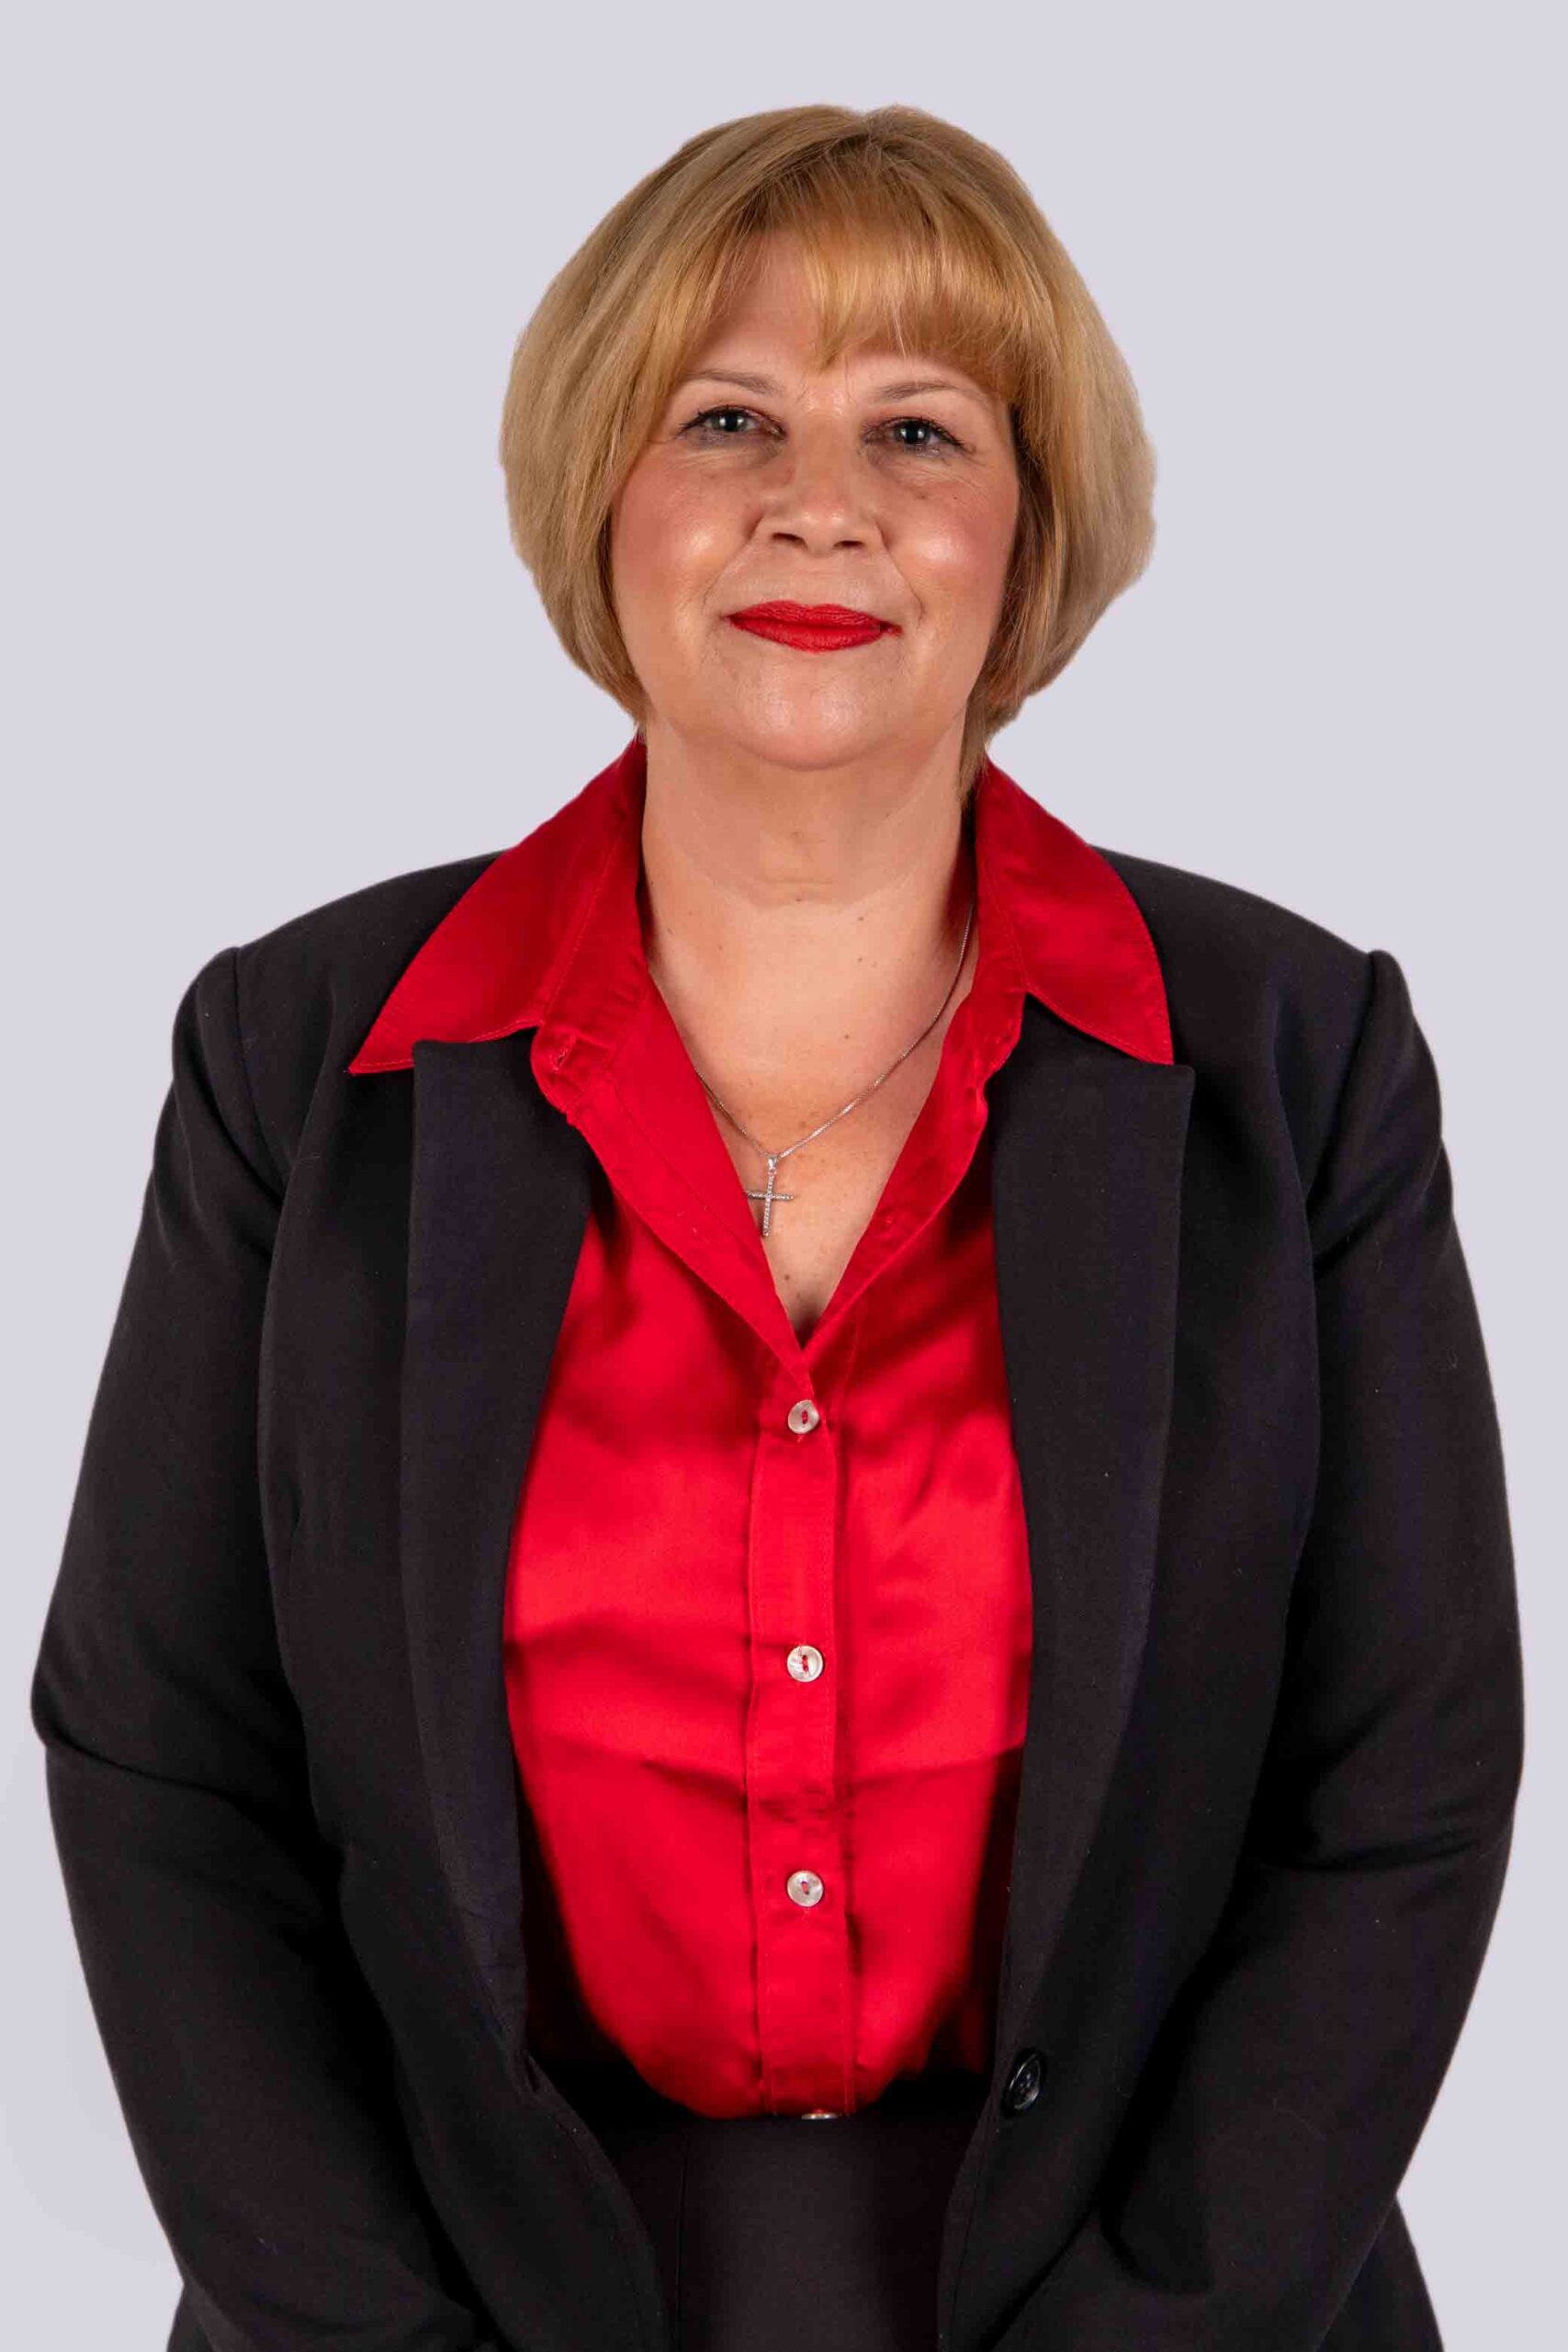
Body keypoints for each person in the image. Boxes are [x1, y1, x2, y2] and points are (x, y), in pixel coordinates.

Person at [30, 102, 1523, 2352]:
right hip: (451, 2294)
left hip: (1167, 2295)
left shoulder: (1297, 1061)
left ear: (1022, 535)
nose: (816, 500)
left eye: (915, 428)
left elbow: (1400, 1776)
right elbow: (164, 1761)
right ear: (601, 497)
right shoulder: (299, 1057)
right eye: (723, 417)